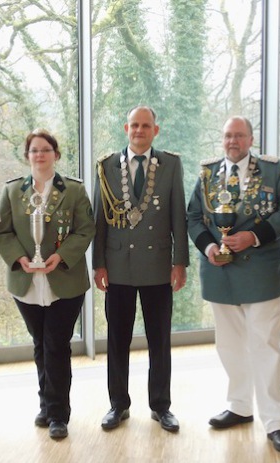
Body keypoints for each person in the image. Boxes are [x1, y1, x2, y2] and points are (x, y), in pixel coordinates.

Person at [187, 116, 280, 453]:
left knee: (265, 345)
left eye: (239, 135)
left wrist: (254, 236)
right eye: (227, 136)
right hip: (220, 272)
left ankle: (276, 421)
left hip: (261, 270)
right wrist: (208, 245)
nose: (232, 141)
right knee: (230, 345)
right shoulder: (208, 174)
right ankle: (239, 406)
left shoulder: (272, 169)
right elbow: (193, 216)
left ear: (251, 139)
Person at [92, 105, 189, 433]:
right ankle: (118, 404)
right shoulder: (106, 165)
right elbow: (99, 220)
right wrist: (99, 263)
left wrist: (180, 262)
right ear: (126, 128)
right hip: (117, 266)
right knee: (117, 340)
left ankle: (161, 406)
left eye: (146, 126)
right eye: (134, 125)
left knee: (159, 339)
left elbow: (179, 215)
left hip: (158, 266)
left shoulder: (170, 164)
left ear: (155, 130)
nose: (139, 130)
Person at [0, 129, 95, 439]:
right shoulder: (13, 192)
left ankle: (58, 414)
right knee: (40, 344)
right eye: (34, 150)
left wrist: (60, 256)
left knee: (56, 345)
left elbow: (85, 229)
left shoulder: (74, 191)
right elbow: (3, 233)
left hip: (64, 280)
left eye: (45, 150)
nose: (39, 155)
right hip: (26, 282)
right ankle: (46, 403)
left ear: (56, 154)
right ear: (27, 156)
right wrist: (20, 259)